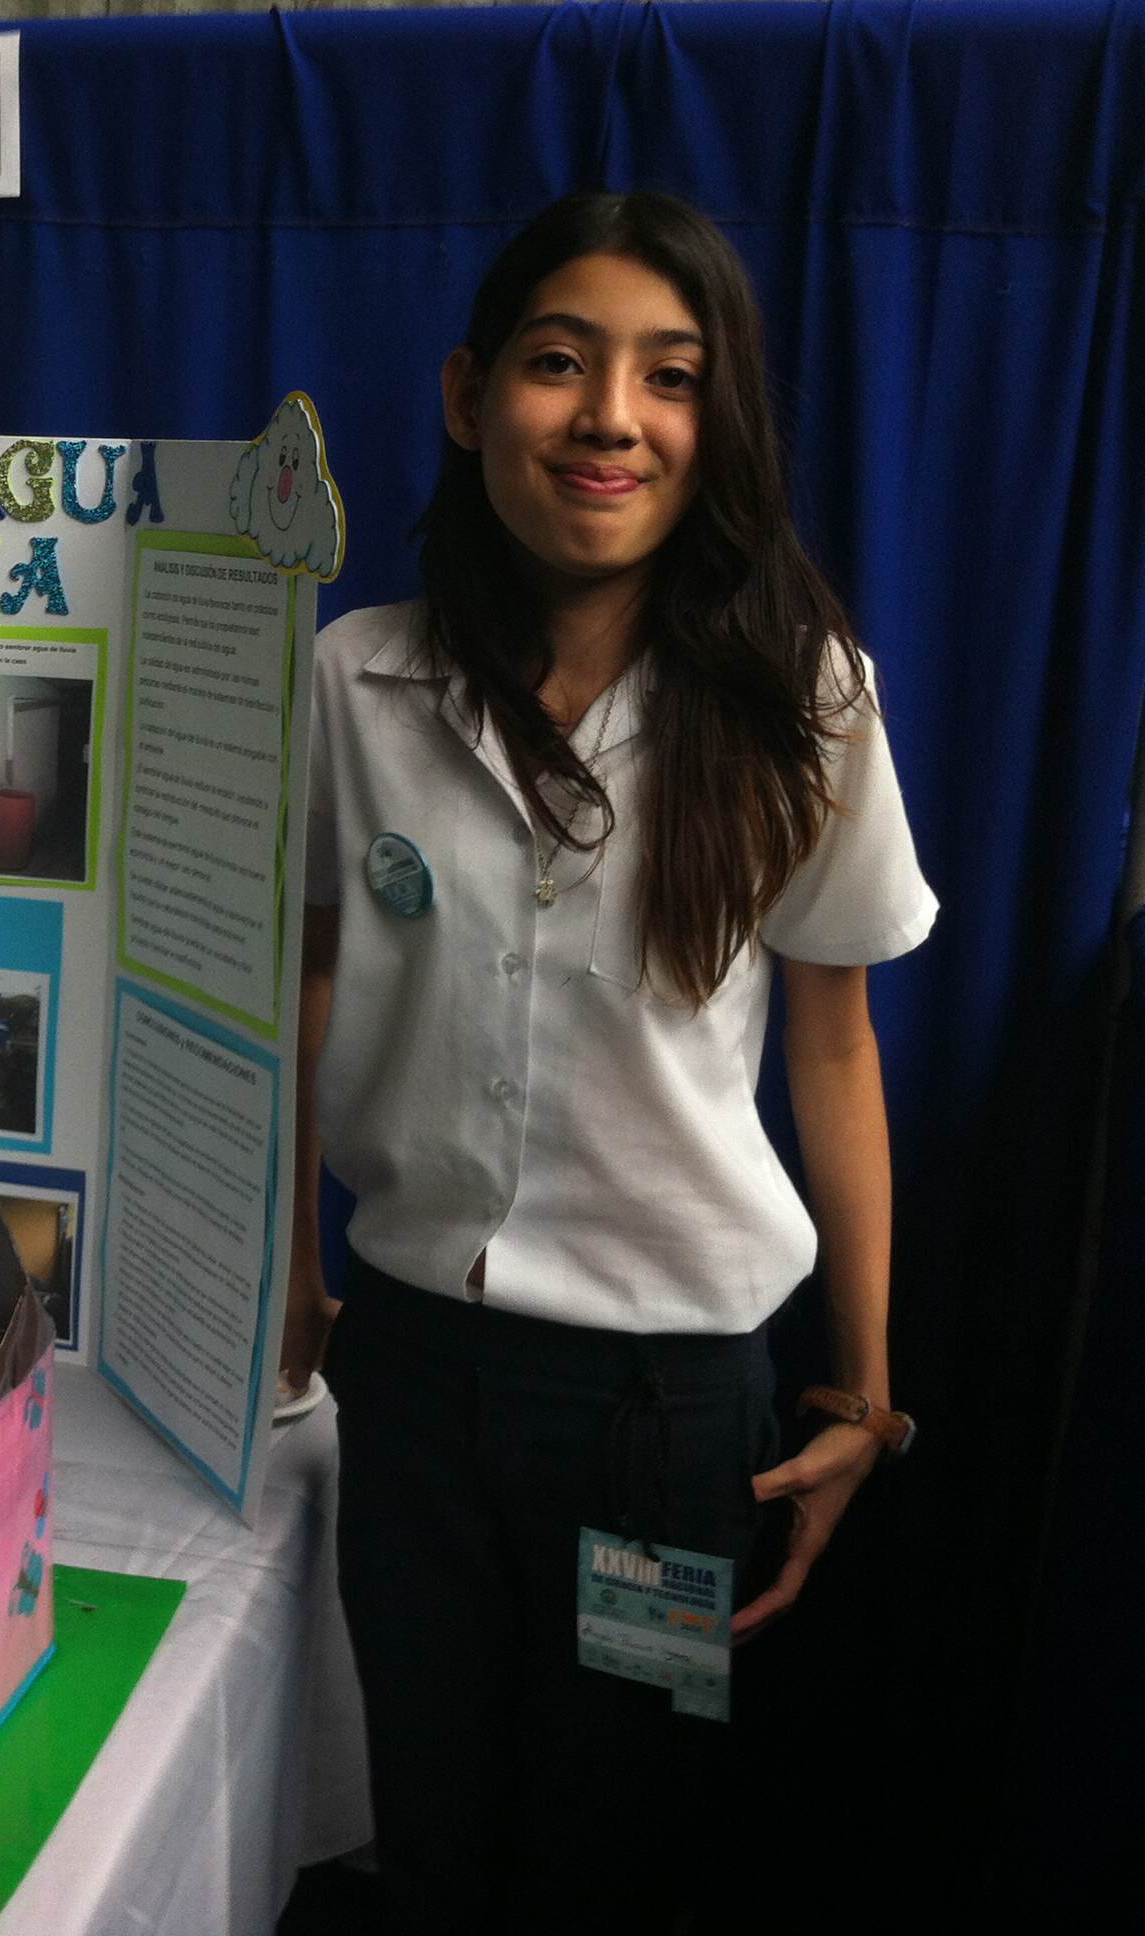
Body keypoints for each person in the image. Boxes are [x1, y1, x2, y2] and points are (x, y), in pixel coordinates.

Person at [279, 190, 934, 1929]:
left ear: (716, 426)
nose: (609, 417)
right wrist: (285, 1274)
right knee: (418, 1830)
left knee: (616, 1851)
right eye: (560, 363)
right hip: (406, 1372)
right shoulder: (359, 680)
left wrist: (866, 1396)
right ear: (466, 392)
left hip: (668, 1406)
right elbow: (307, 986)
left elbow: (837, 1050)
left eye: (670, 375)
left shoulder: (808, 703)